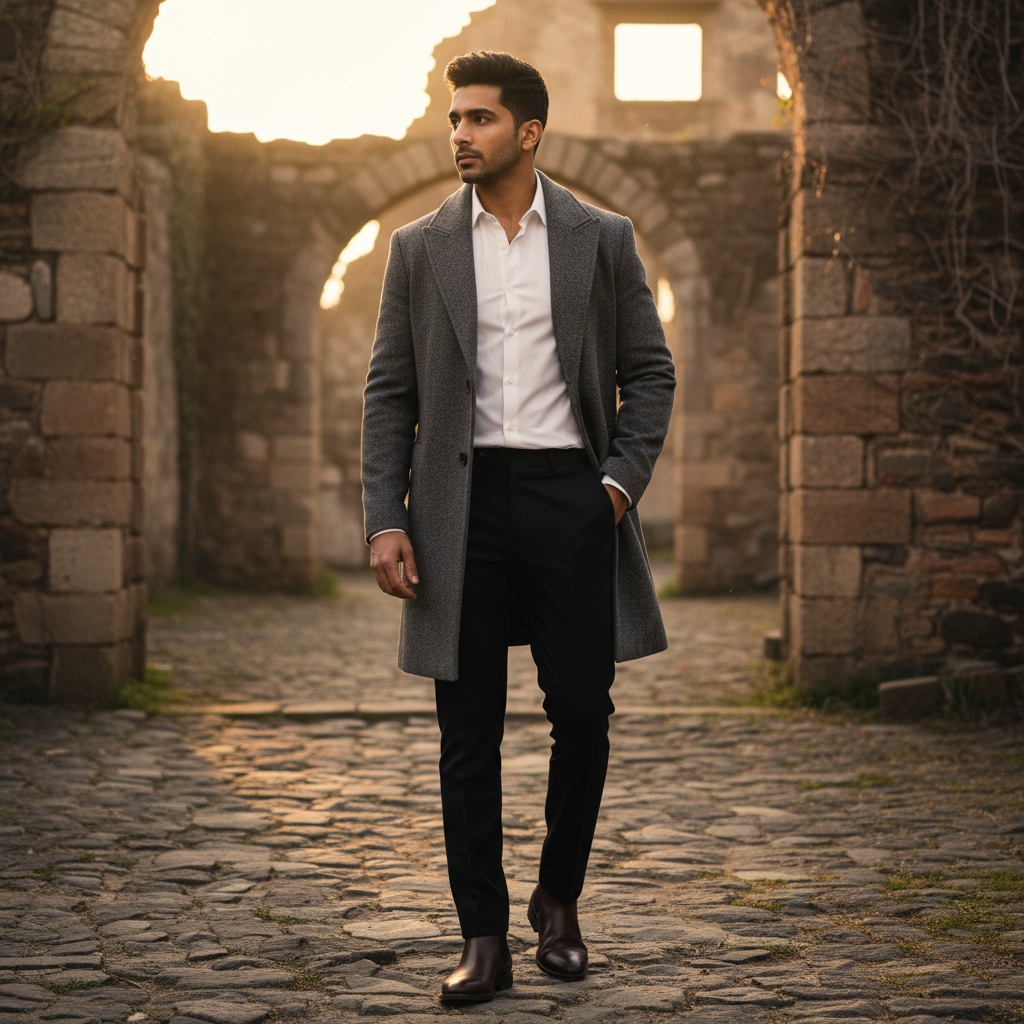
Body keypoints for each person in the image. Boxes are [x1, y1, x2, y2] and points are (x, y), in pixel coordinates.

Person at [361, 50, 675, 1004]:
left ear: (528, 132)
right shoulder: (419, 248)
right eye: (454, 119)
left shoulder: (600, 236)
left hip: (570, 501)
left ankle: (561, 903)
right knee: (468, 728)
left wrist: (616, 487)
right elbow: (390, 393)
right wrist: (386, 517)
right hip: (458, 508)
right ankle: (483, 935)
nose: (460, 134)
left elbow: (648, 372)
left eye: (480, 120)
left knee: (583, 711)